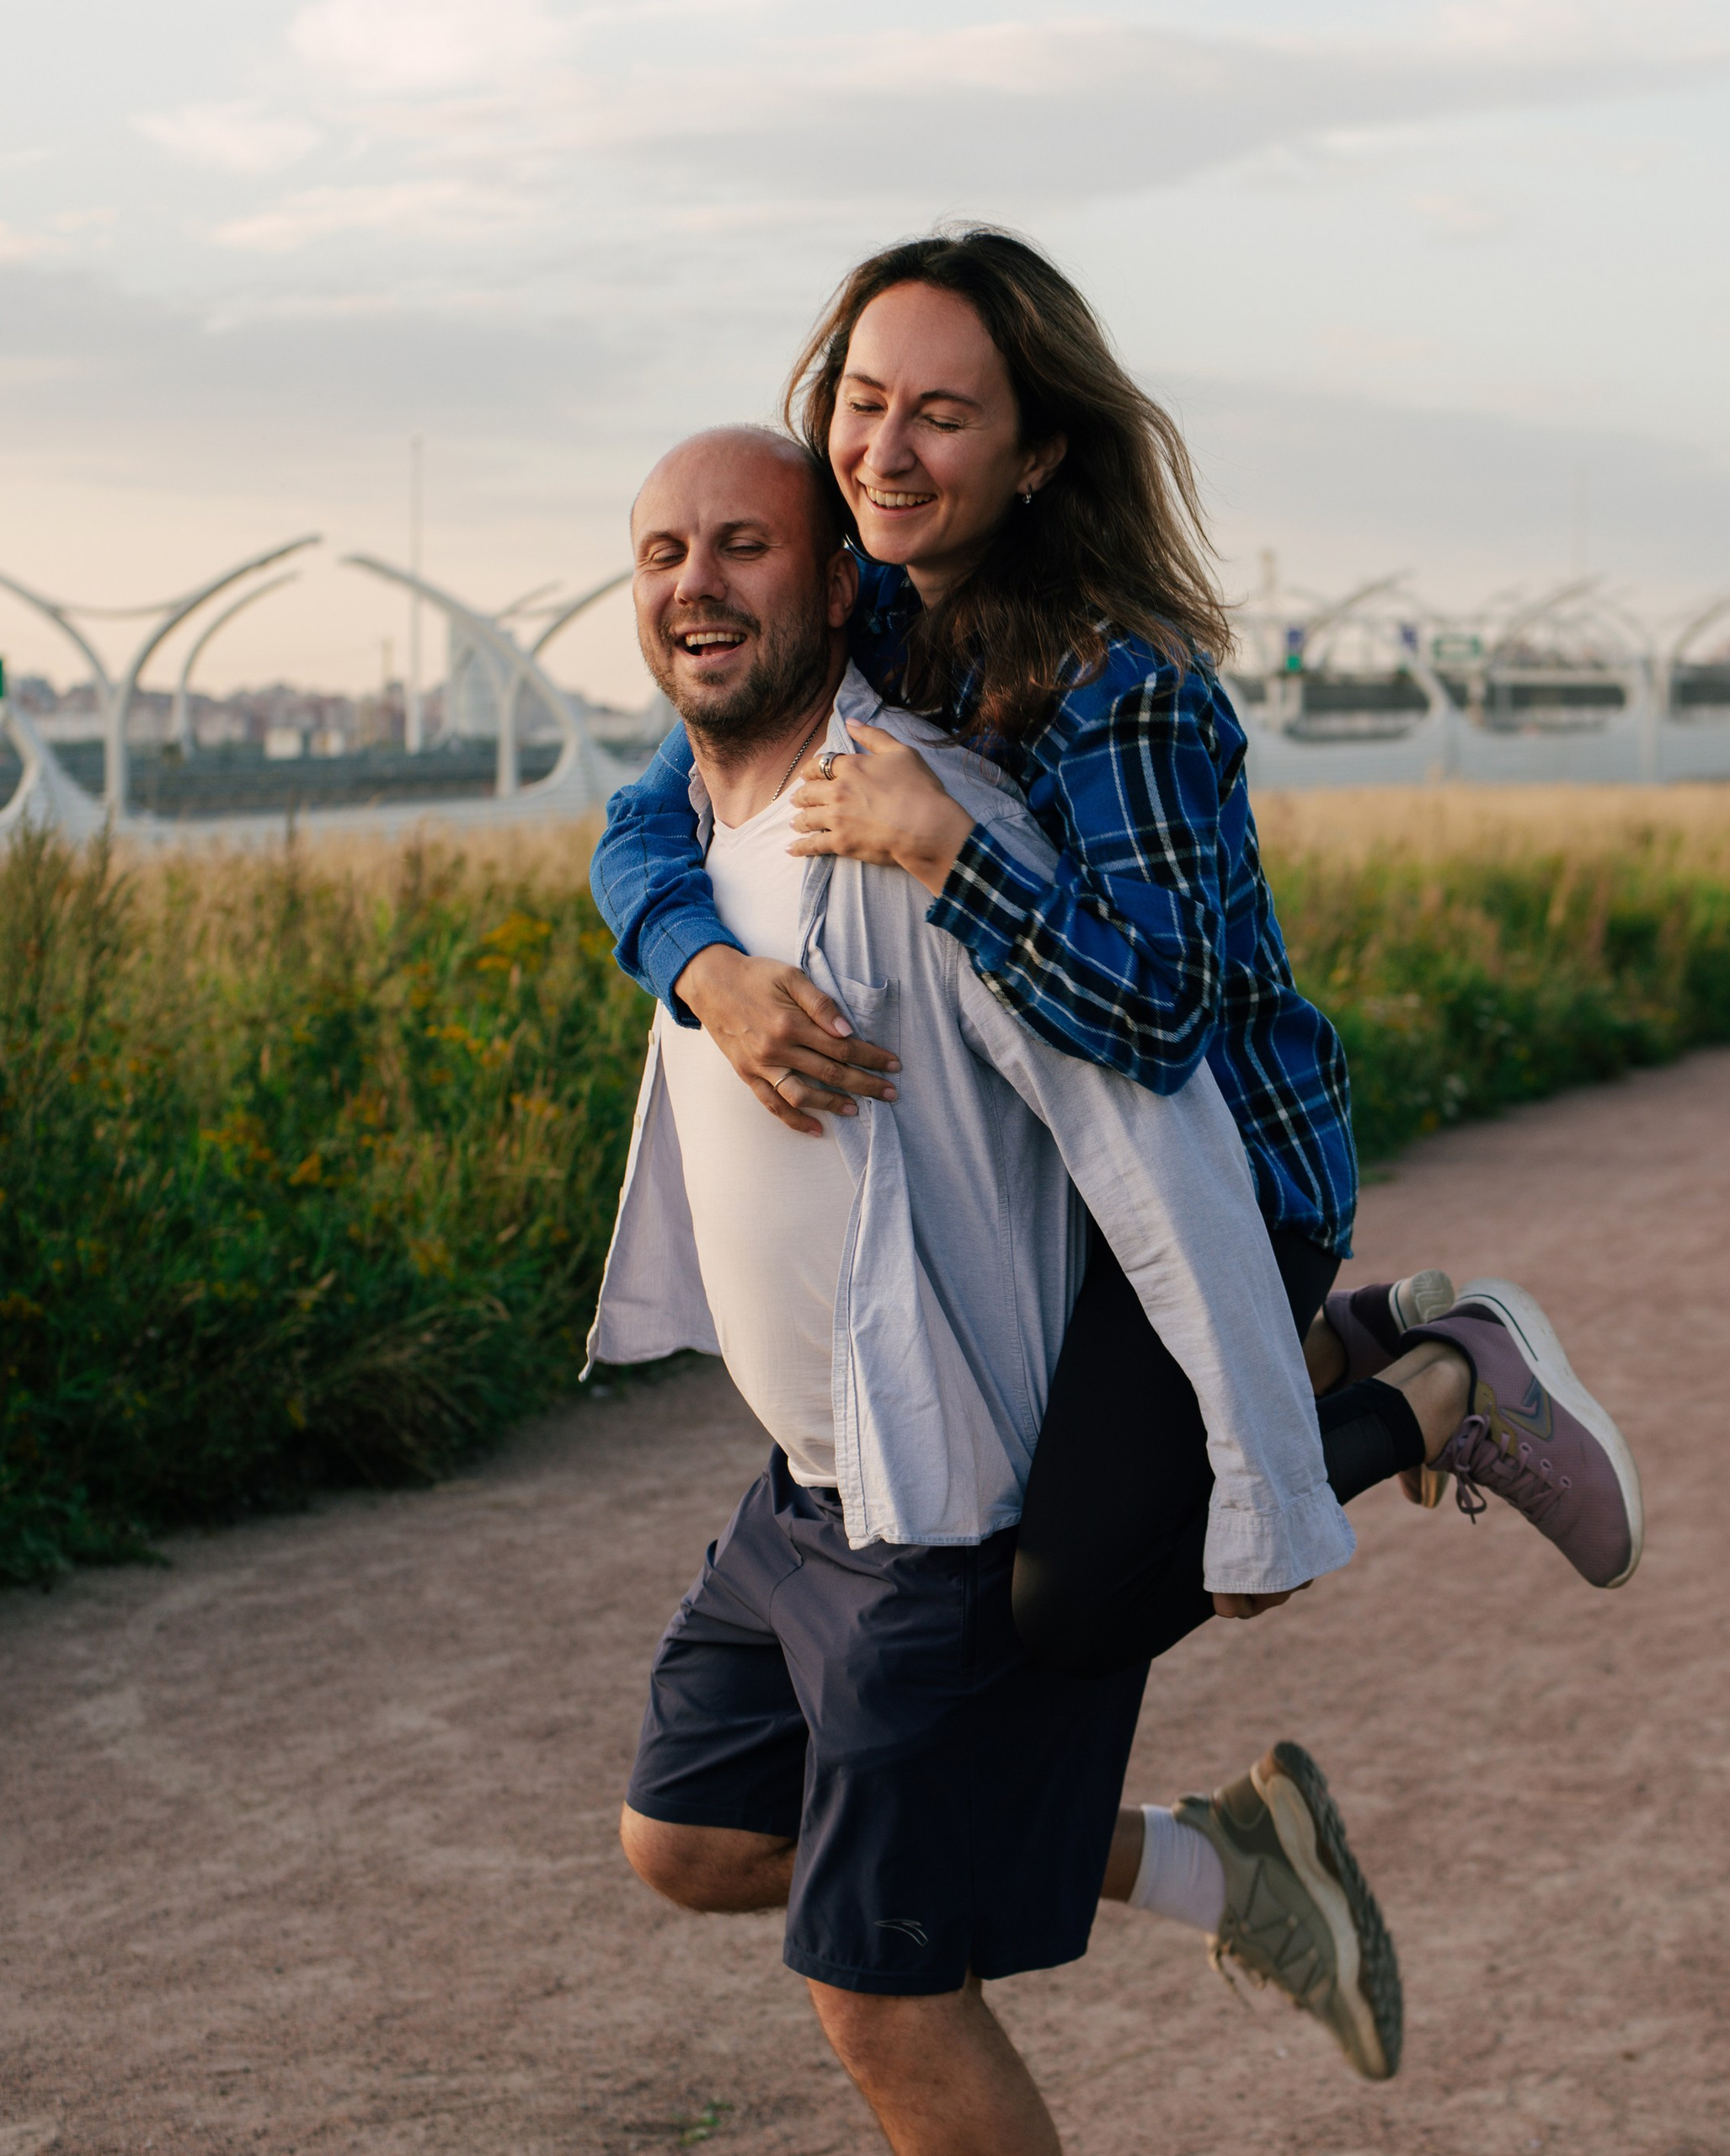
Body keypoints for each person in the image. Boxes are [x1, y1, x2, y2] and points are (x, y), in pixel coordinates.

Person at [591, 230, 1642, 1687]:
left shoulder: (1116, 685)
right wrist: (704, 970)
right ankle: (1340, 1346)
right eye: (865, 398)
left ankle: (1458, 1376)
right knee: (1046, 1514)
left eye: (943, 417)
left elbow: (1158, 1018)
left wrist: (943, 850)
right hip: (1056, 1191)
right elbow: (647, 816)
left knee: (1100, 1589)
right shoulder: (864, 607)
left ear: (1036, 456)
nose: (884, 450)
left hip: (1232, 1171)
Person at [589, 428, 1404, 2144]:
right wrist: (702, 969)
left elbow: (1153, 1148)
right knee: (694, 1835)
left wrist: (1253, 1478)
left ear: (836, 580)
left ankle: (1422, 1381)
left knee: (879, 1992)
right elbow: (630, 848)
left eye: (743, 544)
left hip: (937, 1509)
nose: (693, 583)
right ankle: (1214, 1860)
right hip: (803, 1499)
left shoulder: (915, 822)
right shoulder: (689, 815)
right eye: (663, 549)